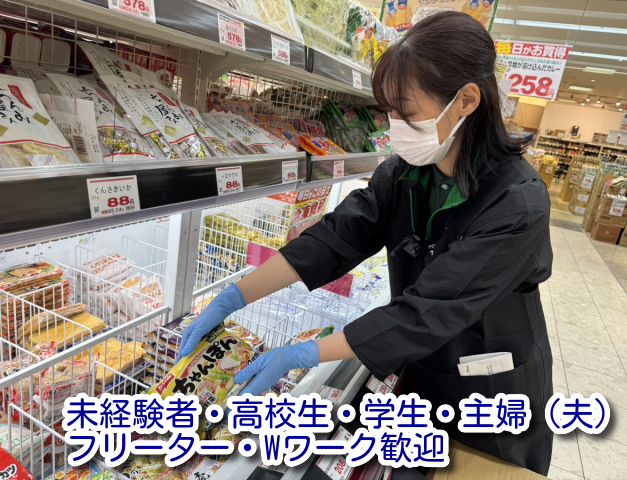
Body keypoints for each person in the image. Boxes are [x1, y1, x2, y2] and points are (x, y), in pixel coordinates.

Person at [177, 11, 553, 476]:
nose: (395, 125)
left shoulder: (517, 203)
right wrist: (234, 296)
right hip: (421, 367)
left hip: (491, 390)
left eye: (406, 112)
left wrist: (301, 354)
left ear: (466, 100)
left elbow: (428, 311)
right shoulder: (405, 173)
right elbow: (335, 237)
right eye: (389, 111)